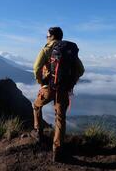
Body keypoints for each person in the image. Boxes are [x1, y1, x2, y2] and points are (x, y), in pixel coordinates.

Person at [32, 26, 84, 162]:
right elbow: (81, 69)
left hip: (48, 87)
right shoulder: (69, 50)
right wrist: (71, 82)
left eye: (47, 36)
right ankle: (57, 151)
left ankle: (38, 132)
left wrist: (41, 82)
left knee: (36, 106)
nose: (46, 38)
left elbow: (36, 67)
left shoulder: (47, 49)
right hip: (63, 89)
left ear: (51, 36)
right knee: (60, 118)